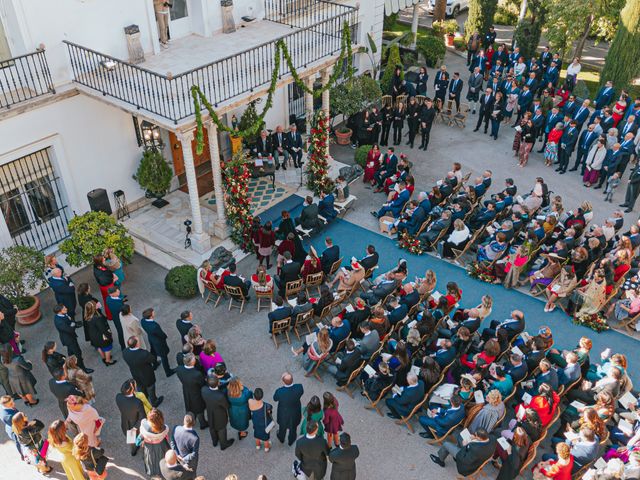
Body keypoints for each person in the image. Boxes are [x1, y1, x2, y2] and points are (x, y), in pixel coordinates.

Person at [430, 428, 497, 476]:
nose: (474, 435)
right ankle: (457, 450)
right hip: (480, 454)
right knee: (460, 437)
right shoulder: (493, 439)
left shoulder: (475, 449)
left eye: (475, 435)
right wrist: (473, 439)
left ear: (479, 438)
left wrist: (466, 445)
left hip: (466, 461)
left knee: (446, 444)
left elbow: (464, 460)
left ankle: (440, 460)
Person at [122, 336, 163, 407]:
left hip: (135, 374)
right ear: (137, 344)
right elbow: (153, 359)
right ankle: (154, 402)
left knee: (140, 387)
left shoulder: (125, 352)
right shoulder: (144, 353)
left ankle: (144, 399)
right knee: (150, 388)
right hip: (147, 375)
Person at [54, 304, 92, 373]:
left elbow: (70, 321)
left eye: (65, 307)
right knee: (78, 353)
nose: (66, 309)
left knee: (71, 352)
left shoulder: (63, 314)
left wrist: (74, 323)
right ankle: (83, 369)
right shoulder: (59, 322)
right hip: (69, 339)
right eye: (64, 308)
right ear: (59, 312)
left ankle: (71, 364)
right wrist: (74, 325)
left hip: (70, 337)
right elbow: (70, 330)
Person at [201, 375, 234, 450]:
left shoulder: (204, 390)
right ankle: (223, 444)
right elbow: (227, 406)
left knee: (212, 427)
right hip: (220, 415)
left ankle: (215, 441)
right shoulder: (220, 396)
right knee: (221, 429)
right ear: (218, 383)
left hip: (210, 412)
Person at [176, 353, 207, 430]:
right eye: (194, 359)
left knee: (189, 406)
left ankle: (191, 419)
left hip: (186, 391)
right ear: (192, 362)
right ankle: (202, 423)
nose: (195, 360)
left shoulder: (179, 369)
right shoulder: (197, 374)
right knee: (199, 409)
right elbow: (202, 384)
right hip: (196, 394)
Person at [115, 379, 146, 456]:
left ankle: (133, 451)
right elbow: (142, 417)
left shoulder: (118, 396)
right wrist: (135, 427)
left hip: (125, 423)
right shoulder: (137, 402)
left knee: (131, 441)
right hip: (135, 425)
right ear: (132, 390)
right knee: (140, 439)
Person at [141, 307, 175, 377]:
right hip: (158, 342)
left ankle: (155, 364)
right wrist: (165, 336)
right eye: (153, 313)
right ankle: (168, 372)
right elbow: (161, 334)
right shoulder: (154, 326)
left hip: (151, 339)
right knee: (164, 356)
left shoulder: (143, 321)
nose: (154, 313)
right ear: (150, 316)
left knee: (153, 352)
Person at [273, 372, 304, 446]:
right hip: (295, 412)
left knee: (282, 426)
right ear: (292, 379)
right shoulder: (299, 387)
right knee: (293, 427)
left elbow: (275, 399)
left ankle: (281, 437)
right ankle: (291, 440)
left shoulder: (279, 391)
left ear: (283, 381)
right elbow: (301, 393)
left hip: (283, 412)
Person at [139, 408, 170, 478]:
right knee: (162, 459)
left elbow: (141, 433)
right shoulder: (164, 428)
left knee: (150, 460)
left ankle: (153, 474)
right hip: (161, 445)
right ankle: (162, 473)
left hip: (148, 446)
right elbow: (165, 433)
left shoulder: (144, 425)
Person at [84, 300, 116, 366]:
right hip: (100, 336)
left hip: (93, 335)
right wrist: (109, 335)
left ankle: (104, 358)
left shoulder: (87, 316)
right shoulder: (97, 318)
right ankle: (108, 360)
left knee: (99, 347)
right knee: (108, 347)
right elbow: (103, 329)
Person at [248, 387, 272, 452]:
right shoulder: (267, 405)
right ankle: (266, 448)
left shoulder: (250, 402)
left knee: (257, 435)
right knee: (266, 438)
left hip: (255, 422)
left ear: (254, 395)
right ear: (262, 395)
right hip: (264, 424)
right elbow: (269, 412)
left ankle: (258, 446)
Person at [105, 286, 126, 350]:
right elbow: (123, 311)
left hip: (115, 317)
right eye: (117, 291)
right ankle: (123, 346)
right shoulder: (117, 305)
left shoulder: (108, 298)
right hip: (119, 319)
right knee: (121, 332)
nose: (119, 291)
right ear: (112, 294)